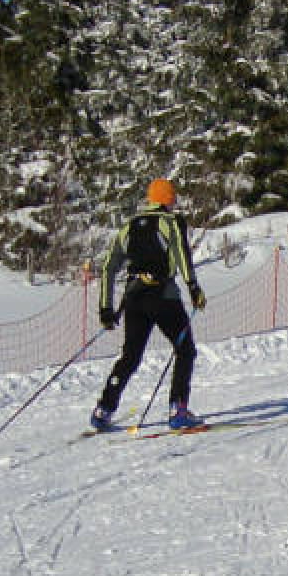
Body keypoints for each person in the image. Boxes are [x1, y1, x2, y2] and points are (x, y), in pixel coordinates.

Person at [90, 178, 206, 430]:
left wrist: (106, 309)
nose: (174, 201)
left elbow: (109, 267)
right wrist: (194, 288)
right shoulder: (171, 222)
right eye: (172, 197)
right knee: (184, 350)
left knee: (130, 356)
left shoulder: (129, 226)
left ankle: (104, 409)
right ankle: (178, 409)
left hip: (134, 298)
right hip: (163, 295)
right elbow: (182, 255)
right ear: (167, 199)